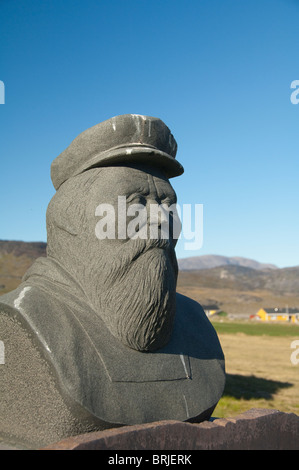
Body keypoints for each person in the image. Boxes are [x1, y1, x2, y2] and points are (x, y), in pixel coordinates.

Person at [0, 114, 225, 448]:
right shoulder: (19, 322)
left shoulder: (195, 322)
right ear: (72, 222)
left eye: (168, 204)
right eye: (137, 202)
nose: (160, 219)